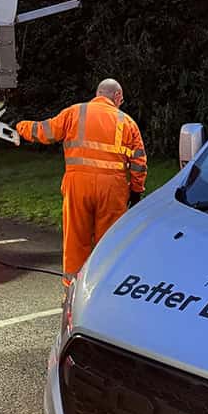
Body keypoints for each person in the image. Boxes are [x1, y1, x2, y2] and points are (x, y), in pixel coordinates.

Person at [16, 79, 147, 287]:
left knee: (76, 240)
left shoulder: (74, 112)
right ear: (118, 96)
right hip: (113, 189)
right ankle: (105, 288)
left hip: (78, 185)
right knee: (109, 243)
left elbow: (44, 131)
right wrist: (136, 190)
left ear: (97, 93)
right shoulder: (127, 122)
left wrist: (20, 127)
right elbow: (139, 162)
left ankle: (73, 291)